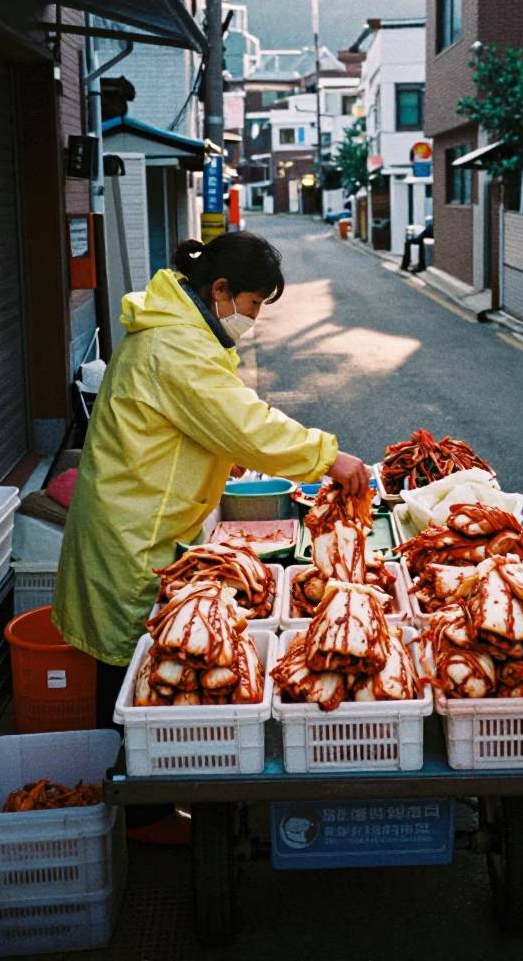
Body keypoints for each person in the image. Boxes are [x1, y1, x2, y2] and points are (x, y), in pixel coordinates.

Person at [52, 231, 368, 838]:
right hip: (136, 532)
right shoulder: (176, 347)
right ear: (219, 290)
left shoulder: (177, 330)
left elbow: (202, 424)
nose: (252, 319)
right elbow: (244, 421)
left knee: (137, 667)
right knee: (134, 674)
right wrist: (332, 457)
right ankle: (140, 814)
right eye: (251, 304)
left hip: (141, 514)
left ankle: (142, 799)